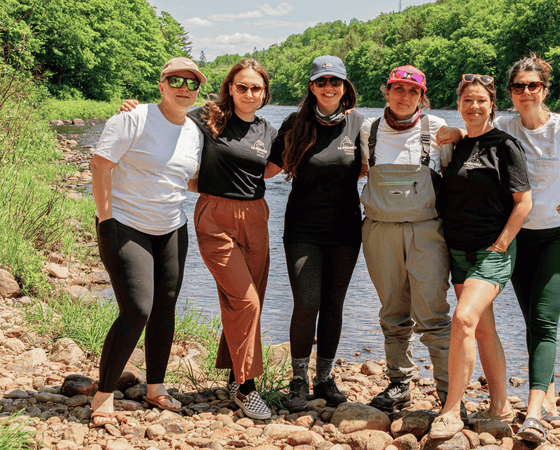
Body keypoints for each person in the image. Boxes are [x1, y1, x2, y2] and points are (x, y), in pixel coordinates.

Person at [438, 53, 560, 442]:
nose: (526, 92)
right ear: (509, 94)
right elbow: (476, 127)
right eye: (519, 87)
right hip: (519, 239)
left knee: (543, 321)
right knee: (529, 321)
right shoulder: (506, 125)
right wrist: (456, 134)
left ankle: (536, 413)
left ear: (545, 89)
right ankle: (537, 391)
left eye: (533, 86)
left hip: (556, 236)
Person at [121, 58, 279, 419]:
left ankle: (235, 375)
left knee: (246, 300)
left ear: (265, 93)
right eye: (242, 87)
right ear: (229, 88)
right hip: (215, 219)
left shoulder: (269, 132)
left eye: (256, 88)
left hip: (256, 217)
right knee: (246, 300)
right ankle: (247, 388)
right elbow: (167, 119)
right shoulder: (207, 118)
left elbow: (271, 169)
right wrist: (136, 112)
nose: (249, 94)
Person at [90, 57, 206, 428]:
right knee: (137, 308)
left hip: (172, 227)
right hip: (125, 225)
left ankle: (155, 388)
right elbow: (100, 164)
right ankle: (103, 395)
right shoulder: (132, 118)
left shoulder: (194, 131)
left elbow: (189, 180)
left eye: (192, 83)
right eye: (176, 80)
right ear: (161, 84)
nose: (184, 88)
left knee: (165, 308)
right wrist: (105, 220)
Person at [429, 74, 532, 439]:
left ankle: (451, 410)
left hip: (491, 250)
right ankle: (500, 404)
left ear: (492, 105)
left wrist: (503, 243)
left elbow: (524, 202)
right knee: (482, 328)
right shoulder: (456, 145)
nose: (474, 107)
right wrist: (456, 134)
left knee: (463, 320)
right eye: (467, 100)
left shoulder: (505, 145)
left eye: (481, 101)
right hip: (459, 249)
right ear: (459, 104)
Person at [266, 55, 364, 412]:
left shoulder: (358, 124)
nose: (328, 88)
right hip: (302, 230)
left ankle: (324, 379)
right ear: (311, 86)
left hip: (346, 230)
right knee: (307, 303)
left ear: (345, 87)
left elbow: (383, 163)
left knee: (333, 305)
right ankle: (297, 380)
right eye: (321, 82)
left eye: (335, 82)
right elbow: (266, 169)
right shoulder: (295, 123)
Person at [359, 65, 454, 412]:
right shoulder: (367, 130)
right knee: (392, 311)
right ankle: (400, 384)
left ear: (421, 96)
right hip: (379, 230)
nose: (404, 96)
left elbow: (458, 179)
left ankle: (448, 393)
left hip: (426, 231)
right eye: (398, 89)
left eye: (412, 91)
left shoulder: (438, 130)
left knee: (433, 314)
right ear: (386, 91)